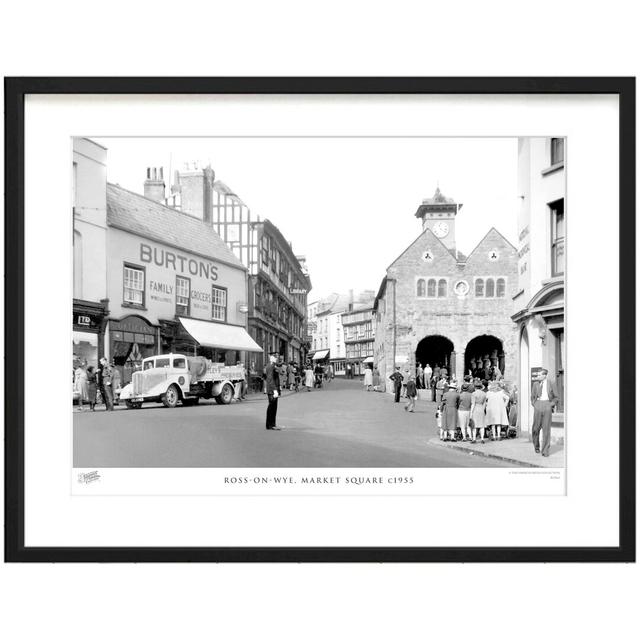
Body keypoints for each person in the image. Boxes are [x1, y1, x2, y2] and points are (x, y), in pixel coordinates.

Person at [531, 369, 559, 456]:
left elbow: (556, 397)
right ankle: (536, 446)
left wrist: (550, 405)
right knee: (535, 429)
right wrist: (535, 404)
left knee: (546, 429)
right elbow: (532, 397)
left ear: (544, 375)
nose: (537, 377)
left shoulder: (551, 383)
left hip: (547, 404)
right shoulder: (535, 384)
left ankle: (545, 451)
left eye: (539, 375)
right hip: (538, 405)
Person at [265, 353, 282, 430]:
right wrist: (275, 390)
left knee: (273, 407)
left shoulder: (273, 365)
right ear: (271, 358)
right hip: (272, 390)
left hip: (273, 389)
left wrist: (279, 388)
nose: (276, 358)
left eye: (277, 357)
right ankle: (271, 425)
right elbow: (270, 379)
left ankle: (271, 424)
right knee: (272, 407)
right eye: (275, 357)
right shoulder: (271, 366)